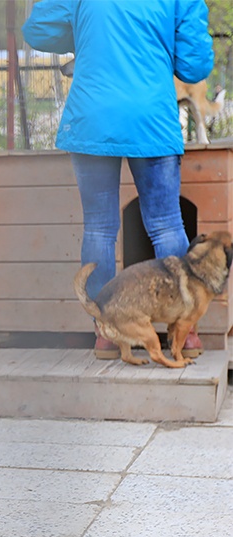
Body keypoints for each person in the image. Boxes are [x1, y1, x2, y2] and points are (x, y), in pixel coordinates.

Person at [22, 0, 215, 359]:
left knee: (99, 228)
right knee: (166, 224)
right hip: (151, 117)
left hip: (93, 116)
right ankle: (183, 334)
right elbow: (195, 65)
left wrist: (87, 36)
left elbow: (37, 30)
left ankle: (106, 334)